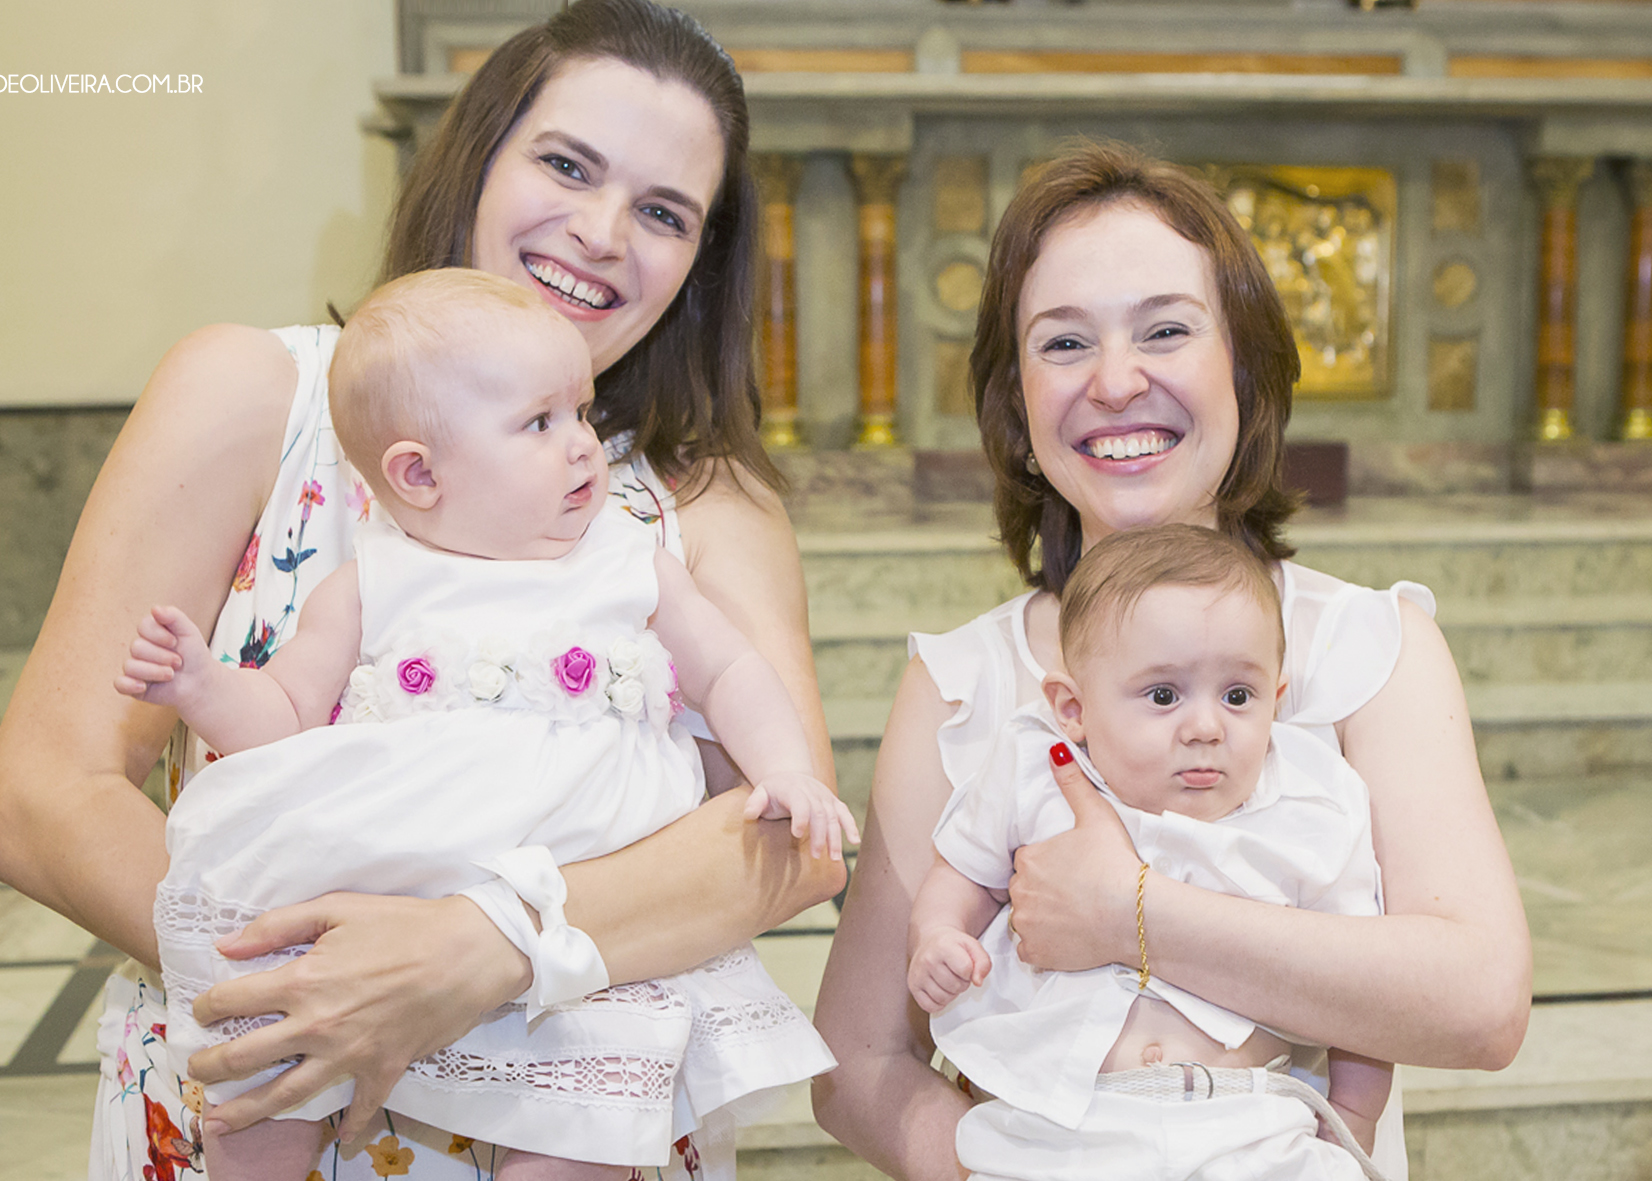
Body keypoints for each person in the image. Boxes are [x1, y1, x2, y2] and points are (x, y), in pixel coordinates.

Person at [0, 3, 848, 1178]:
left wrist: (479, 953)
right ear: (479, 155)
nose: (599, 232)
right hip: (266, 1070)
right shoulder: (255, 392)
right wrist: (310, 991)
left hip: (569, 1080)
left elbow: (787, 841)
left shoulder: (702, 502)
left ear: (698, 262)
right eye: (565, 163)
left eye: (661, 211)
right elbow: (39, 792)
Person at [811, 141, 1530, 1181]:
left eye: (1162, 329)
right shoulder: (961, 682)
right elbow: (855, 1059)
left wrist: (1126, 913)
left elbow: (1480, 1001)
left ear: (1242, 364)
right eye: (1062, 343)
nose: (1114, 381)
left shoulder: (1371, 647)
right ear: (1015, 406)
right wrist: (982, 1159)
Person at [118, 270, 850, 1179]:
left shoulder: (632, 561)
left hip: (576, 915)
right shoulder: (370, 581)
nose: (584, 446)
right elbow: (282, 715)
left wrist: (785, 766)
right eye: (540, 423)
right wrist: (201, 685)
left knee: (585, 1118)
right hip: (389, 875)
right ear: (419, 473)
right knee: (264, 1078)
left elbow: (734, 668)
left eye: (580, 413)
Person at [909, 524, 1390, 1180]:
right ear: (1072, 708)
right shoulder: (1034, 769)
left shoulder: (1311, 802)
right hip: (1053, 1125)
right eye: (1163, 695)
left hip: (1247, 1121)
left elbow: (1360, 990)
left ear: (1276, 701)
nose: (1204, 726)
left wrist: (1352, 1119)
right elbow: (963, 871)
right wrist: (939, 933)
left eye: (1238, 695)